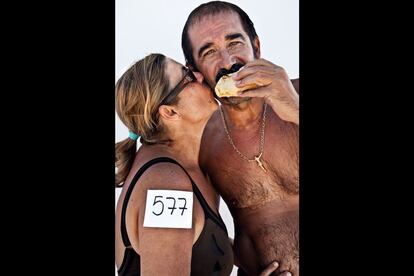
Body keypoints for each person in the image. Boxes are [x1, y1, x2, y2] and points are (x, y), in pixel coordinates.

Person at [114, 53, 285, 275]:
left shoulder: (185, 166)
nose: (200, 75)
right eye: (188, 77)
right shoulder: (168, 185)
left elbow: (195, 242)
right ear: (170, 112)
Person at [181, 1, 299, 275]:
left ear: (256, 47)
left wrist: (295, 108)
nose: (228, 62)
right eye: (209, 52)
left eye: (234, 43)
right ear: (194, 70)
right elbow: (202, 233)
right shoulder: (202, 142)